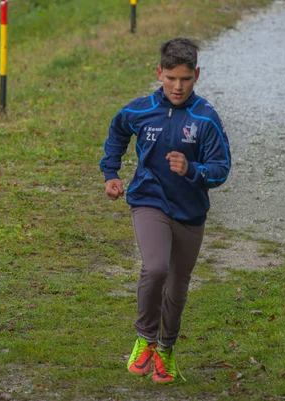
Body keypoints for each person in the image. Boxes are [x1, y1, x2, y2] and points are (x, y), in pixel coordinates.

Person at [99, 37, 231, 384]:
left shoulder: (206, 118)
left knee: (177, 285)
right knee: (155, 268)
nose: (177, 86)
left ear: (196, 75)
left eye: (185, 79)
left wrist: (192, 170)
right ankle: (145, 337)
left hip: (190, 213)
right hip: (148, 201)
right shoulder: (141, 110)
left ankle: (166, 350)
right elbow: (117, 130)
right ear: (159, 72)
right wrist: (111, 173)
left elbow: (221, 168)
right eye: (171, 77)